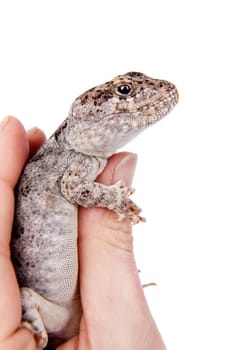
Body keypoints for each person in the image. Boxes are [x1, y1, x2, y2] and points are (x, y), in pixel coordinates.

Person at [0, 116, 166, 350]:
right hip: (48, 308)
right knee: (28, 299)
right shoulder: (70, 156)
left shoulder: (79, 157)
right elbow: (73, 187)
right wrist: (113, 197)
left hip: (67, 311)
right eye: (125, 91)